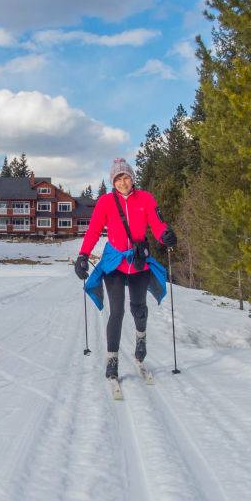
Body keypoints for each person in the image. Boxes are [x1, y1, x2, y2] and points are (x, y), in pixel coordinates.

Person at [74, 158, 177, 380]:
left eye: (126, 177)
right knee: (117, 311)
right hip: (115, 263)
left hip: (139, 261)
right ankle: (112, 359)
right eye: (118, 178)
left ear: (132, 178)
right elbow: (93, 230)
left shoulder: (146, 198)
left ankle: (141, 339)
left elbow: (157, 224)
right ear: (114, 181)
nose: (123, 182)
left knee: (138, 307)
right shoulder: (105, 202)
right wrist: (83, 255)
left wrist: (165, 235)